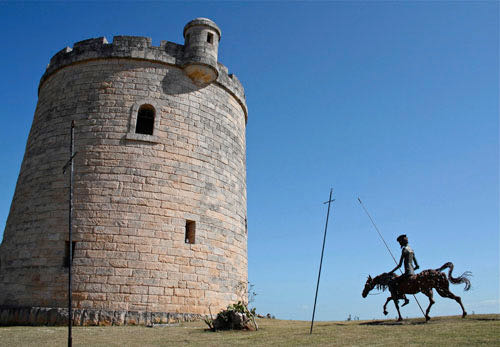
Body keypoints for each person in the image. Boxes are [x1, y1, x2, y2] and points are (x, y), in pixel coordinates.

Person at [389, 234, 420, 306]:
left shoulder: (404, 250)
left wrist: (391, 272)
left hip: (407, 273)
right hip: (413, 273)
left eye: (400, 242)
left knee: (394, 282)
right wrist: (412, 270)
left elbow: (399, 265)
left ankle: (404, 299)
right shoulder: (411, 250)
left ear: (402, 242)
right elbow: (417, 266)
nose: (399, 243)